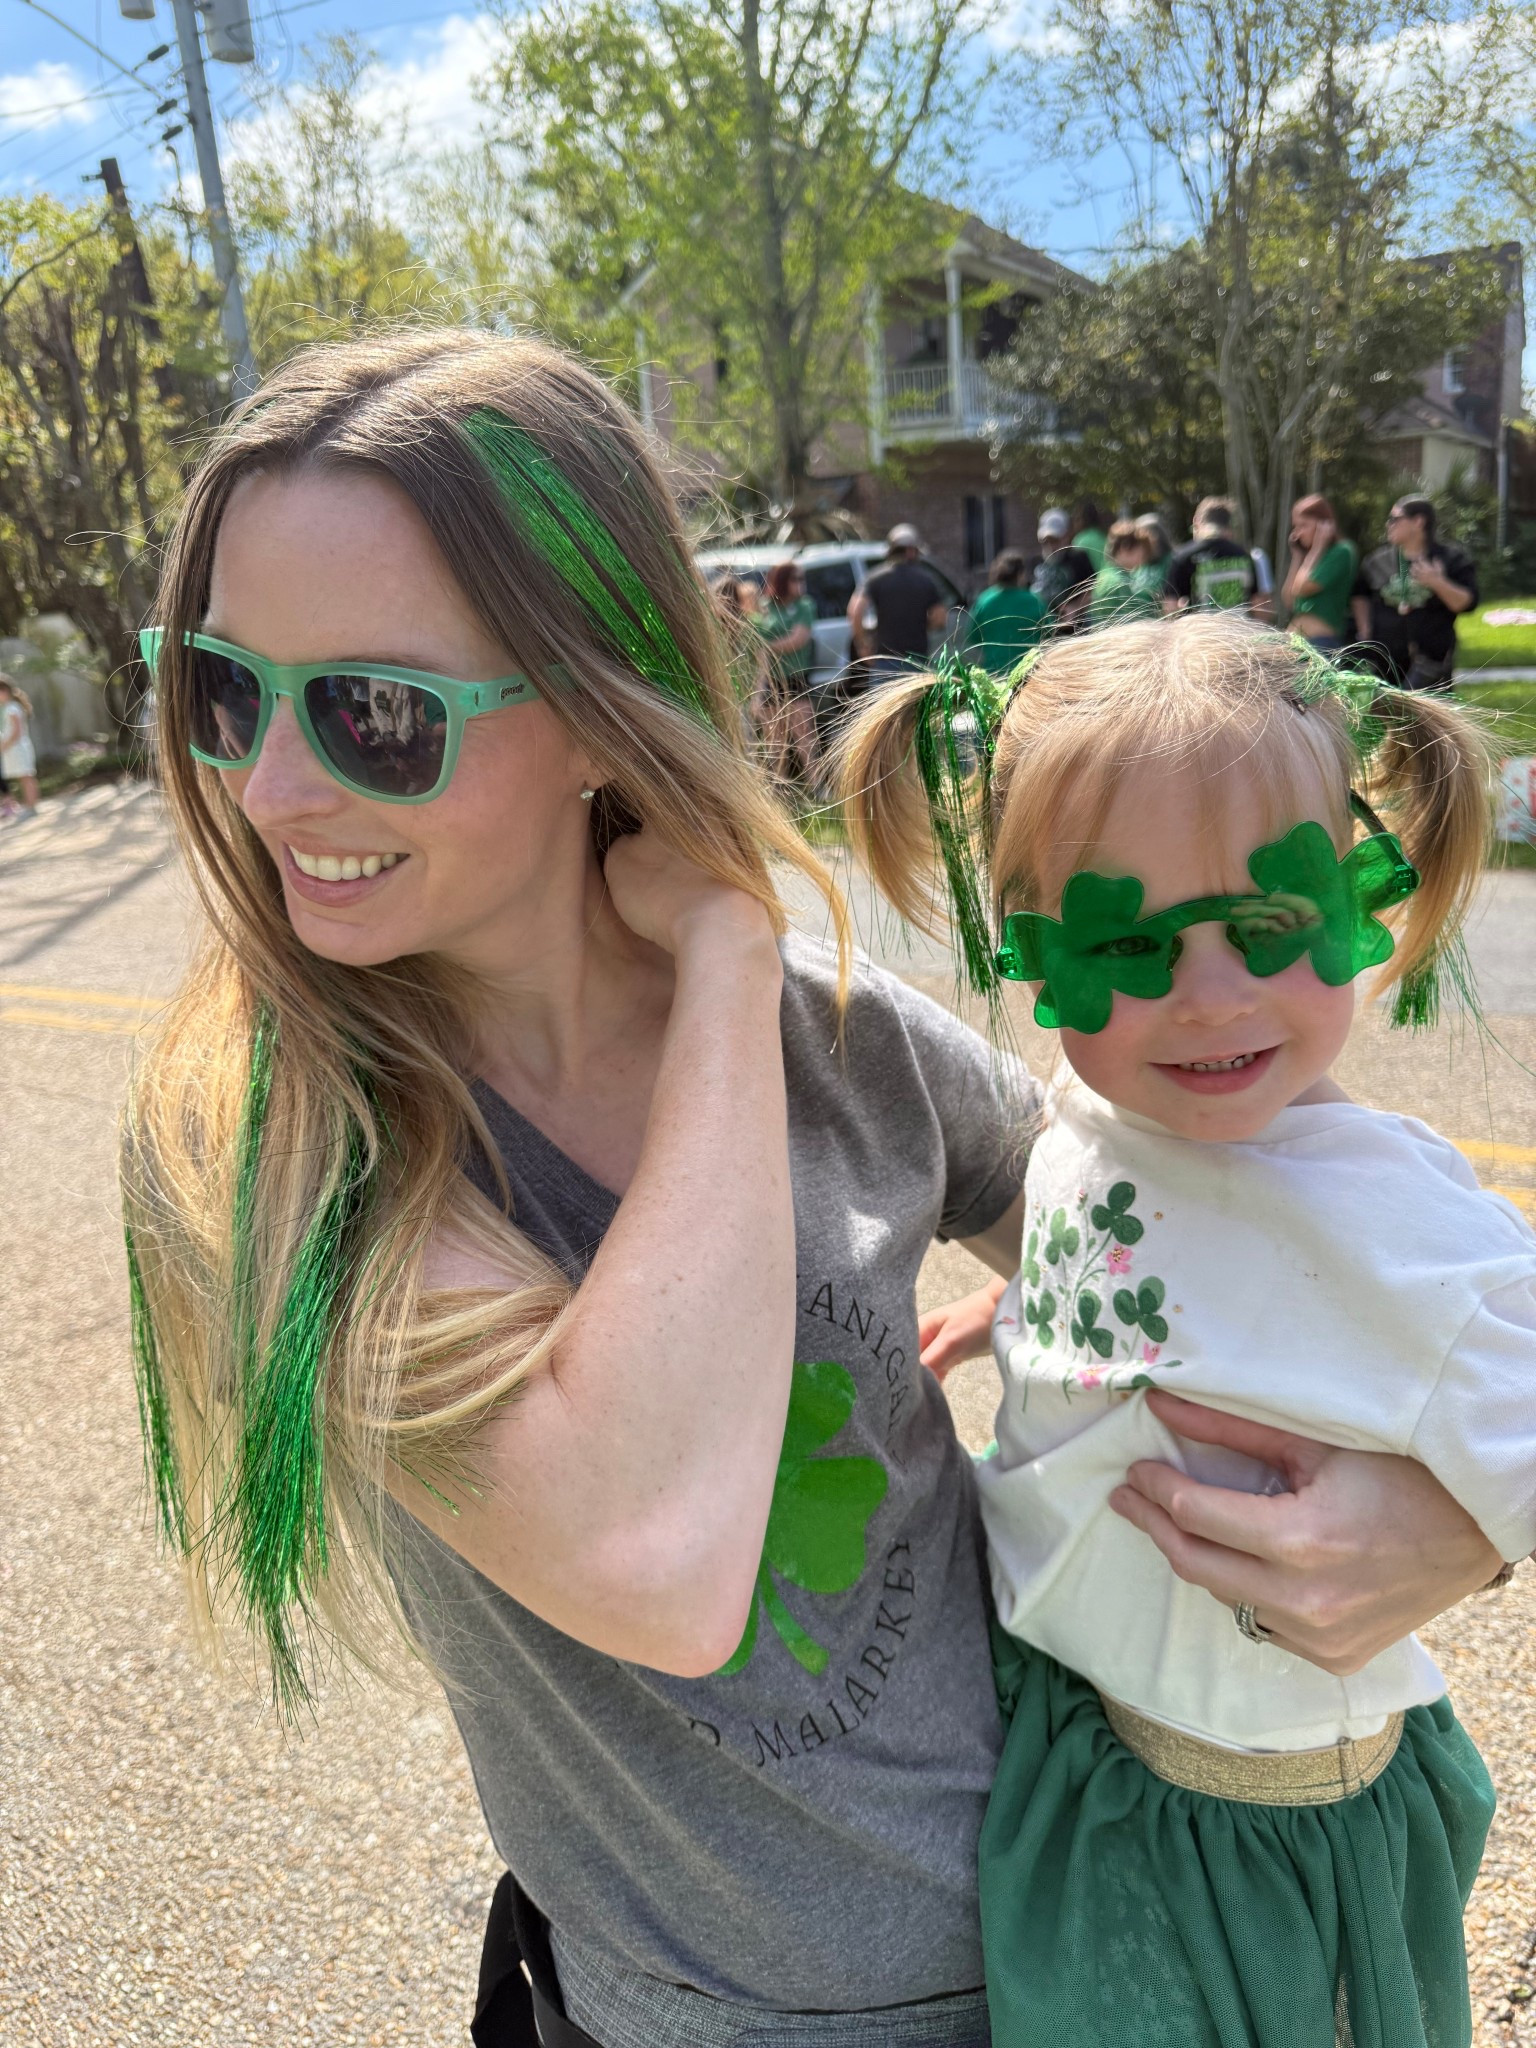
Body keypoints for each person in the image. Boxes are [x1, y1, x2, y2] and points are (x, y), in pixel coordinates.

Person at [125, 329, 1509, 2048]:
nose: (269, 785)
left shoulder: (836, 1029)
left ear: (592, 707)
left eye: (375, 711)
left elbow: (1215, 1209)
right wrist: (718, 951)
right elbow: (661, 1559)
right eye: (218, 686)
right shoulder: (276, 1147)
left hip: (1107, 1918)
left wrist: (1446, 1519)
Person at [841, 613, 1532, 2048]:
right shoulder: (1112, 1103)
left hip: (1259, 1819)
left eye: (1273, 925)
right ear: (1023, 940)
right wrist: (1037, 1308)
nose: (1209, 996)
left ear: (1358, 900)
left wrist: (1472, 1528)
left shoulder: (1389, 1215)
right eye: (1125, 940)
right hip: (1091, 1750)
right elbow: (1157, 1243)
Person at [1353, 496, 1478, 691]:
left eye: (1394, 519)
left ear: (1418, 521)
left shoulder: (1450, 559)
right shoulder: (1377, 561)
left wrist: (1437, 582)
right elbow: (1359, 594)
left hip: (1432, 666)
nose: (1389, 525)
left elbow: (1467, 603)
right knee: (1386, 720)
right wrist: (1365, 628)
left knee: (1429, 722)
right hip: (1385, 664)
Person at [843, 522, 947, 687]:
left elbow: (855, 612)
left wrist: (862, 644)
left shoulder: (875, 577)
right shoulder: (926, 580)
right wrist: (923, 626)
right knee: (916, 711)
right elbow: (940, 618)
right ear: (912, 551)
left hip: (884, 661)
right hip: (917, 661)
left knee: (883, 711)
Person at [751, 561, 820, 782]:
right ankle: (780, 789)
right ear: (782, 581)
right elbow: (751, 632)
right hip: (771, 679)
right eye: (795, 579)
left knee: (805, 736)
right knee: (775, 740)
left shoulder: (805, 606)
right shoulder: (765, 606)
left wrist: (767, 647)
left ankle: (817, 785)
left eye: (802, 578)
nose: (801, 583)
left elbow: (798, 640)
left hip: (795, 677)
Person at [1164, 497, 1265, 615]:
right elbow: (1259, 603)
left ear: (1196, 521)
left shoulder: (1182, 556)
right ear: (1228, 525)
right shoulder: (1244, 555)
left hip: (1199, 631)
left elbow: (1170, 606)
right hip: (1238, 629)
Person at [1282, 494, 1357, 650]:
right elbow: (1288, 599)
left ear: (1325, 525)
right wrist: (1297, 557)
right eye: (1295, 527)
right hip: (1296, 645)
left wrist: (1316, 549)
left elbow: (1302, 588)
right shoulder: (1309, 558)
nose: (1297, 534)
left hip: (1320, 645)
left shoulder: (1341, 551)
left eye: (1303, 526)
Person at [967, 550, 1046, 676]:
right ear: (1021, 574)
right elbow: (1049, 635)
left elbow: (973, 636)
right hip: (1029, 674)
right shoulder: (1035, 601)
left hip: (994, 673)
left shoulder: (984, 601)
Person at [1087, 520, 1165, 629]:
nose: (1144, 558)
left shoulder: (1105, 576)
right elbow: (1133, 626)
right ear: (1125, 548)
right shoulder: (1119, 583)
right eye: (1142, 551)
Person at [1031, 509, 1096, 634]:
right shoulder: (1036, 561)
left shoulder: (1078, 558)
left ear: (1066, 535)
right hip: (1044, 630)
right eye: (1045, 541)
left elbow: (1091, 589)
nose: (1050, 545)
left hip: (1076, 630)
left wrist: (1075, 607)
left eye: (1055, 540)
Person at [0, 675, 40, 818]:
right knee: (25, 778)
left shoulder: (12, 708)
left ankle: (31, 807)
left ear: (4, 690)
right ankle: (31, 806)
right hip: (17, 748)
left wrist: (4, 745)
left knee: (26, 778)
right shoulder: (11, 707)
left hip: (18, 748)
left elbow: (16, 732)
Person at [1071, 498, 1108, 572]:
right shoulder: (1104, 536)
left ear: (1084, 519)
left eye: (1077, 519)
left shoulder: (1079, 540)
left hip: (1091, 582)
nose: (1074, 523)